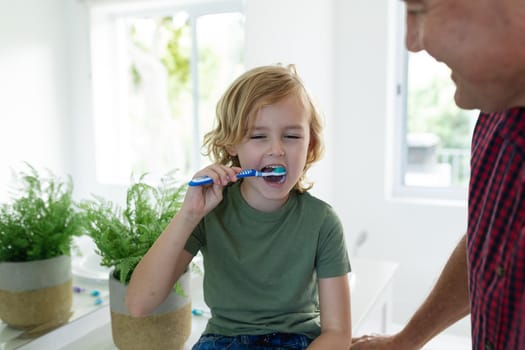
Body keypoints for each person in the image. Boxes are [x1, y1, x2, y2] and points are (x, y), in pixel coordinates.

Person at [125, 64, 352, 349]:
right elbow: (138, 303)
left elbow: (338, 334)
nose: (277, 149)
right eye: (258, 136)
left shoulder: (322, 222)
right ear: (231, 144)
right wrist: (188, 215)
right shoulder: (209, 213)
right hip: (223, 341)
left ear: (311, 143)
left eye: (292, 136)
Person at [351, 0, 525, 349]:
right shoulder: (496, 117)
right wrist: (406, 340)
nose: (412, 42)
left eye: (420, 9)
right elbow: (491, 244)